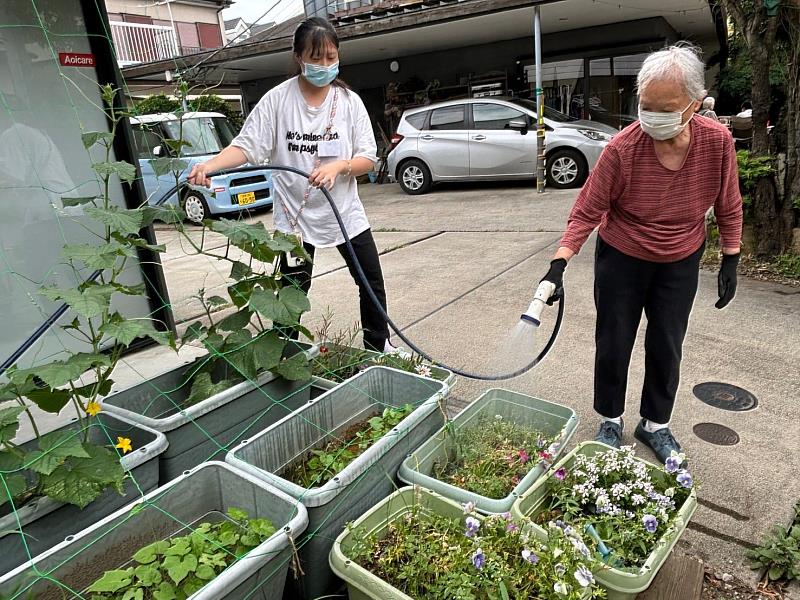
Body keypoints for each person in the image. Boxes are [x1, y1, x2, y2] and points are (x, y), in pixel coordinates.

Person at [538, 45, 743, 463]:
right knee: (614, 340)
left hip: (680, 256)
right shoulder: (623, 148)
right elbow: (587, 210)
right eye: (645, 107)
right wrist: (557, 265)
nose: (651, 117)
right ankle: (610, 419)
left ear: (693, 104)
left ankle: (655, 424)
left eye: (664, 108)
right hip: (623, 255)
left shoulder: (716, 143)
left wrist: (731, 257)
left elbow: (728, 202)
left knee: (667, 342)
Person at [189, 17, 398, 353]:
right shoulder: (278, 101)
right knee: (293, 288)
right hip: (294, 217)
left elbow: (367, 158)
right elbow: (246, 145)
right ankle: (286, 355)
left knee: (370, 280)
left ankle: (378, 347)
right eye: (316, 58)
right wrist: (209, 165)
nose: (325, 65)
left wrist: (339, 167)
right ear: (299, 56)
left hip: (344, 211)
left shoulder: (348, 102)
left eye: (331, 57)